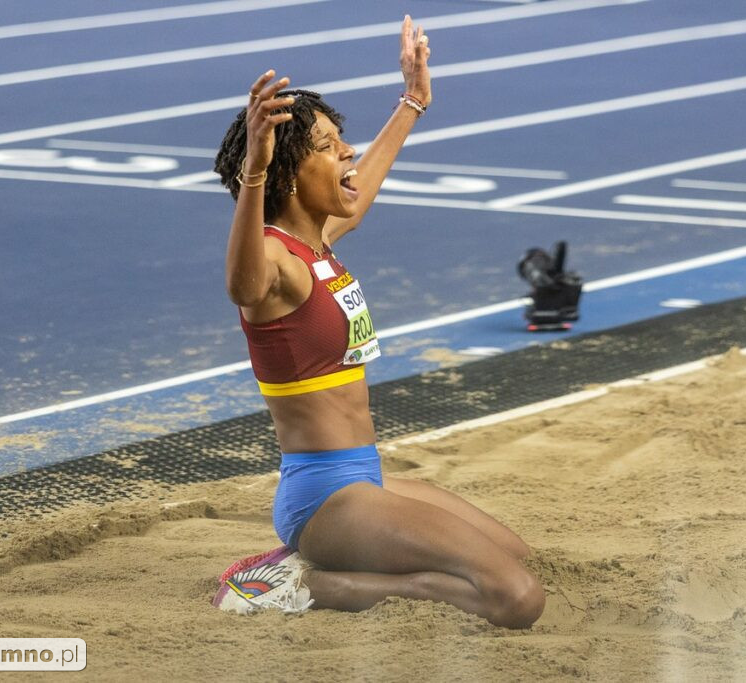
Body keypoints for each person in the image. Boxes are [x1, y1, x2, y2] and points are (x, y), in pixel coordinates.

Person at [209, 16, 545, 629]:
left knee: (518, 556)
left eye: (343, 139)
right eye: (327, 146)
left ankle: (340, 566)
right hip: (327, 500)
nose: (347, 153)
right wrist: (254, 168)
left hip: (366, 473)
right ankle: (318, 583)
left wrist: (413, 101)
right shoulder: (276, 261)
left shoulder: (318, 244)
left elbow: (356, 200)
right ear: (287, 174)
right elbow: (241, 284)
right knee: (516, 598)